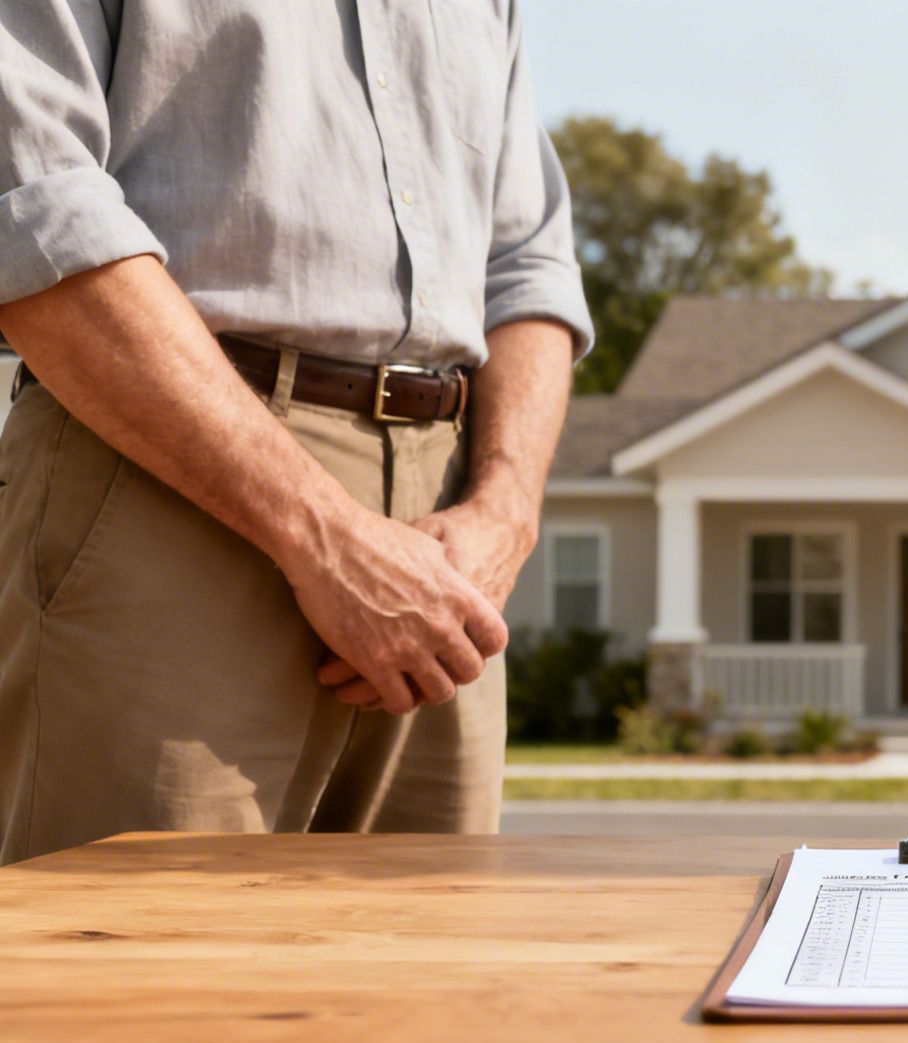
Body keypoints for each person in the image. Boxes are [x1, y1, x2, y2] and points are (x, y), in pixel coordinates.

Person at [0, 2, 592, 864]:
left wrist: (506, 513)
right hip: (166, 488)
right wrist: (322, 533)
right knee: (150, 974)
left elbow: (529, 263)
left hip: (448, 543)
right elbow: (32, 208)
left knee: (427, 975)